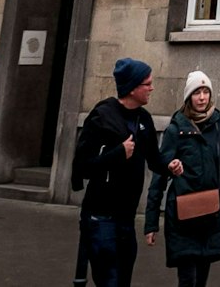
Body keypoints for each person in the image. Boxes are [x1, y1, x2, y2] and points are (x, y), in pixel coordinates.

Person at [71, 58, 179, 287]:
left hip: (126, 219)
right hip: (100, 218)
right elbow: (81, 166)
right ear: (132, 88)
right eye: (147, 83)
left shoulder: (144, 119)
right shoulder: (102, 116)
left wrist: (169, 166)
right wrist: (118, 153)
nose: (152, 88)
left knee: (123, 281)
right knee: (109, 281)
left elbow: (153, 158)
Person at [146, 71, 220, 287]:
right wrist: (151, 223)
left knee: (201, 280)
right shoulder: (176, 129)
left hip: (211, 216)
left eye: (206, 92)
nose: (202, 97)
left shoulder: (219, 124)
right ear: (189, 97)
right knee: (188, 280)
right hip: (183, 220)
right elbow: (159, 175)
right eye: (197, 93)